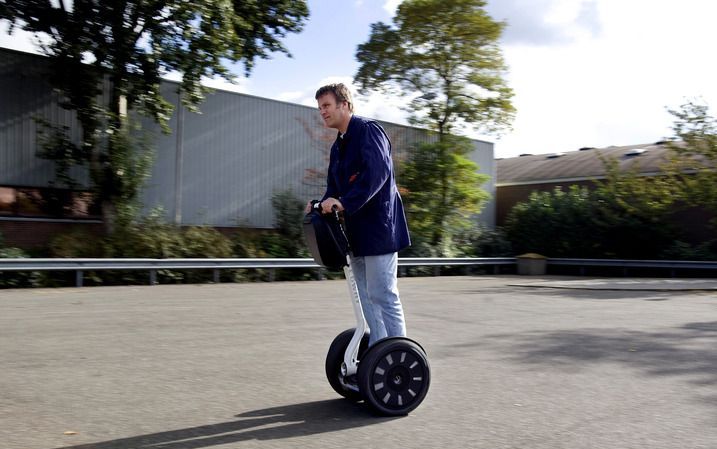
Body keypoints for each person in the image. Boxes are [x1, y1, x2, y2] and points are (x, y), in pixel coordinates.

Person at [308, 83, 411, 346]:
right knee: (365, 294)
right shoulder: (338, 146)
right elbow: (334, 188)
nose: (322, 112)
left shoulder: (368, 131)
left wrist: (342, 203)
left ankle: (399, 353)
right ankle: (379, 351)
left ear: (345, 104)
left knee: (383, 293)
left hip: (379, 228)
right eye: (320, 107)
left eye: (327, 105)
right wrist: (320, 205)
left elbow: (376, 176)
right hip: (355, 231)